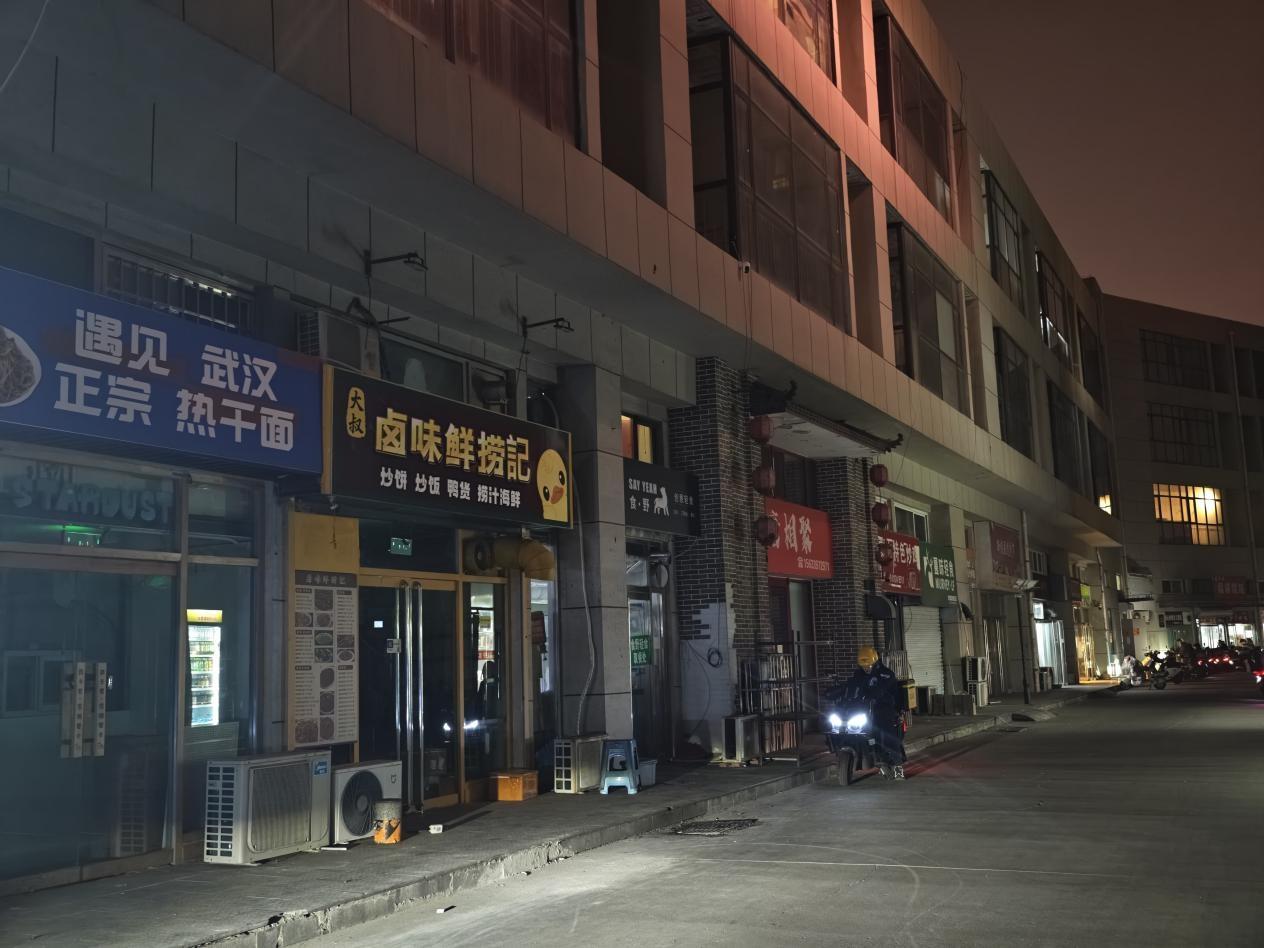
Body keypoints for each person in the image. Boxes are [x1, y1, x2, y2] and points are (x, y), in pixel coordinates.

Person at [840, 645, 907, 779]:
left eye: (868, 666)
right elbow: (851, 687)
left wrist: (874, 695)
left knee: (888, 737)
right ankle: (872, 758)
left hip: (884, 709)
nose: (866, 668)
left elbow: (881, 689)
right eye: (863, 666)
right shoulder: (858, 674)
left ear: (875, 662)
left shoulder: (886, 674)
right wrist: (838, 695)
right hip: (864, 710)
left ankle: (898, 768)